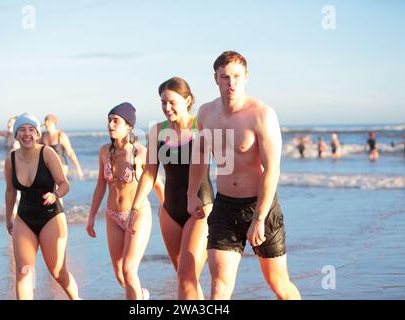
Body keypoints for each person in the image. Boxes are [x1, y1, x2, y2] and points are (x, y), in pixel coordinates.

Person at [187, 51, 301, 300]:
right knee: (219, 287)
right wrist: (191, 194)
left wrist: (259, 219)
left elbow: (272, 170)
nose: (231, 82)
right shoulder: (206, 113)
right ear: (216, 78)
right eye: (225, 76)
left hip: (260, 206)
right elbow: (200, 157)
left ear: (247, 76)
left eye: (237, 76)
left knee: (279, 285)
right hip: (225, 206)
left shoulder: (262, 115)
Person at [128, 77, 214, 300]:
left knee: (186, 278)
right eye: (162, 102)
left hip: (200, 208)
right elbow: (149, 172)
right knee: (185, 279)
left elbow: (230, 162)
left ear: (187, 100)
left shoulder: (202, 127)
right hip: (170, 211)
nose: (166, 107)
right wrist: (135, 208)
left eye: (172, 102)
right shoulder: (157, 131)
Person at [86, 103, 164, 300]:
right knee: (121, 275)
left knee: (129, 270)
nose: (111, 125)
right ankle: (142, 295)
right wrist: (91, 215)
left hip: (137, 215)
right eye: (109, 121)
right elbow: (100, 186)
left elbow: (157, 185)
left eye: (116, 121)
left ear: (129, 125)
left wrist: (167, 211)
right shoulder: (104, 151)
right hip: (112, 216)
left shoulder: (141, 152)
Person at [4, 112, 80, 300]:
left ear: (37, 134)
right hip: (24, 217)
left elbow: (64, 184)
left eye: (31, 129)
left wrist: (55, 195)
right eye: (21, 130)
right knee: (23, 273)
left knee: (58, 273)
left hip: (50, 216)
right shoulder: (10, 160)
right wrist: (8, 218)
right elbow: (10, 191)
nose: (26, 133)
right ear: (16, 135)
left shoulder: (47, 152)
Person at [40, 114, 84, 180]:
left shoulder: (60, 135)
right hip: (47, 166)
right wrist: (39, 127)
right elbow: (35, 148)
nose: (46, 124)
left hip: (61, 165)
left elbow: (70, 153)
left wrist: (78, 168)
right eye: (45, 122)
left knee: (57, 187)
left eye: (49, 122)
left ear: (54, 123)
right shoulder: (43, 136)